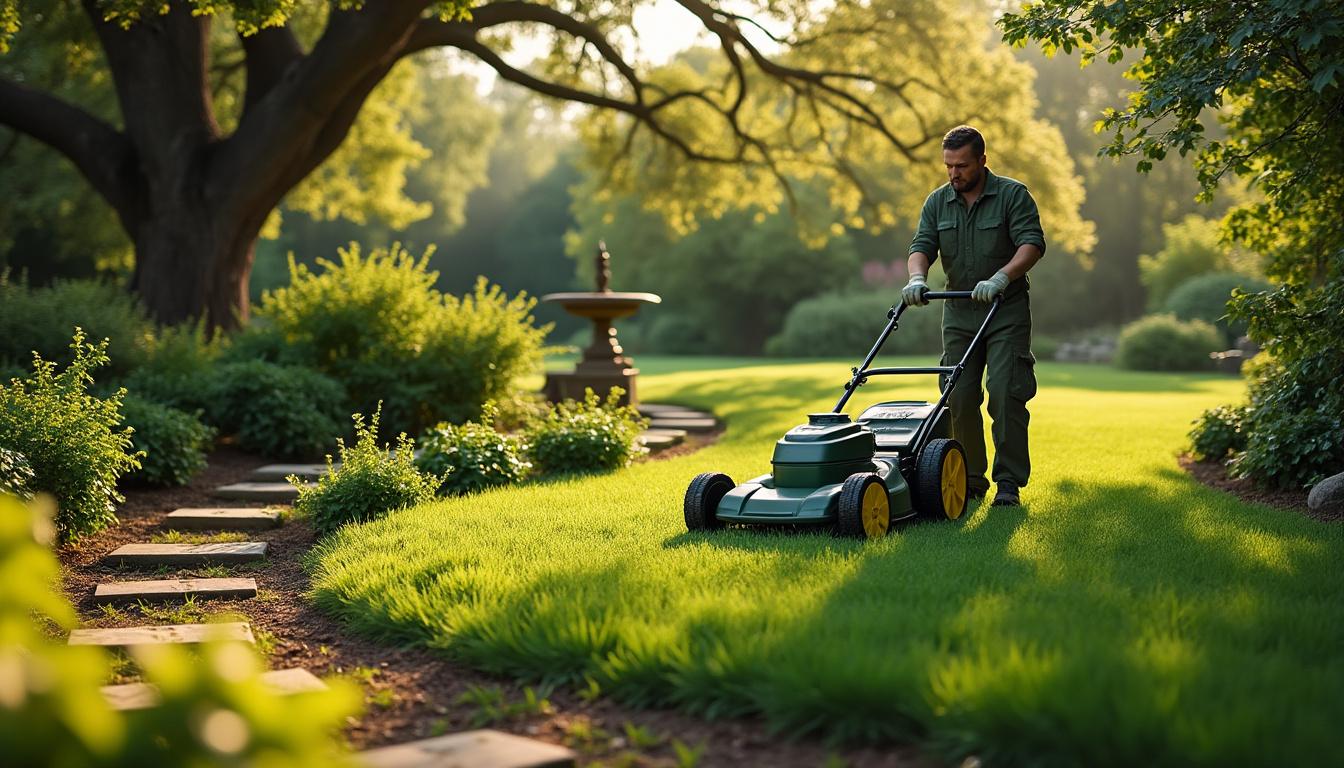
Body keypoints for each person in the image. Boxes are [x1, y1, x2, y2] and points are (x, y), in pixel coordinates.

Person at [901, 125, 1045, 507]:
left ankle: (1009, 483)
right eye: (948, 166)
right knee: (958, 397)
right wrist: (917, 277)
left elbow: (1032, 243)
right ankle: (970, 480)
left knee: (1004, 392)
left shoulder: (1012, 195)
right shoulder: (937, 202)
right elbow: (921, 246)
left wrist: (1002, 276)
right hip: (959, 313)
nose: (954, 174)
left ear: (982, 160)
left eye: (961, 165)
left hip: (1004, 311)